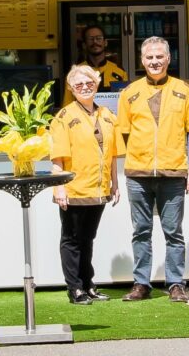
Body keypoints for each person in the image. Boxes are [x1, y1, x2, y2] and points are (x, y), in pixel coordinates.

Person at [117, 36, 189, 303]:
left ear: (168, 59)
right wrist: (139, 159)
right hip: (138, 175)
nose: (155, 61)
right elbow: (125, 133)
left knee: (173, 233)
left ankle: (176, 283)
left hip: (173, 172)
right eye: (149, 57)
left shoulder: (184, 90)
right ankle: (141, 283)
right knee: (141, 230)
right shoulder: (129, 93)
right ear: (142, 60)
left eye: (159, 57)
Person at [50, 64, 124, 305]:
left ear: (97, 84)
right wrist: (59, 187)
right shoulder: (63, 117)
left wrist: (114, 183)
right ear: (71, 88)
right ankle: (75, 288)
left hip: (98, 187)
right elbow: (57, 157)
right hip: (74, 187)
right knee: (71, 239)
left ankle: (88, 284)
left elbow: (112, 154)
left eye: (89, 82)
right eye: (79, 84)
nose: (84, 87)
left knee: (87, 238)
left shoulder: (106, 115)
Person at [62, 25, 128, 105]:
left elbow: (127, 102)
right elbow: (67, 105)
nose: (95, 42)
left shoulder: (119, 72)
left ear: (105, 42)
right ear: (84, 45)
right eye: (90, 39)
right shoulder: (75, 73)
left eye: (99, 38)